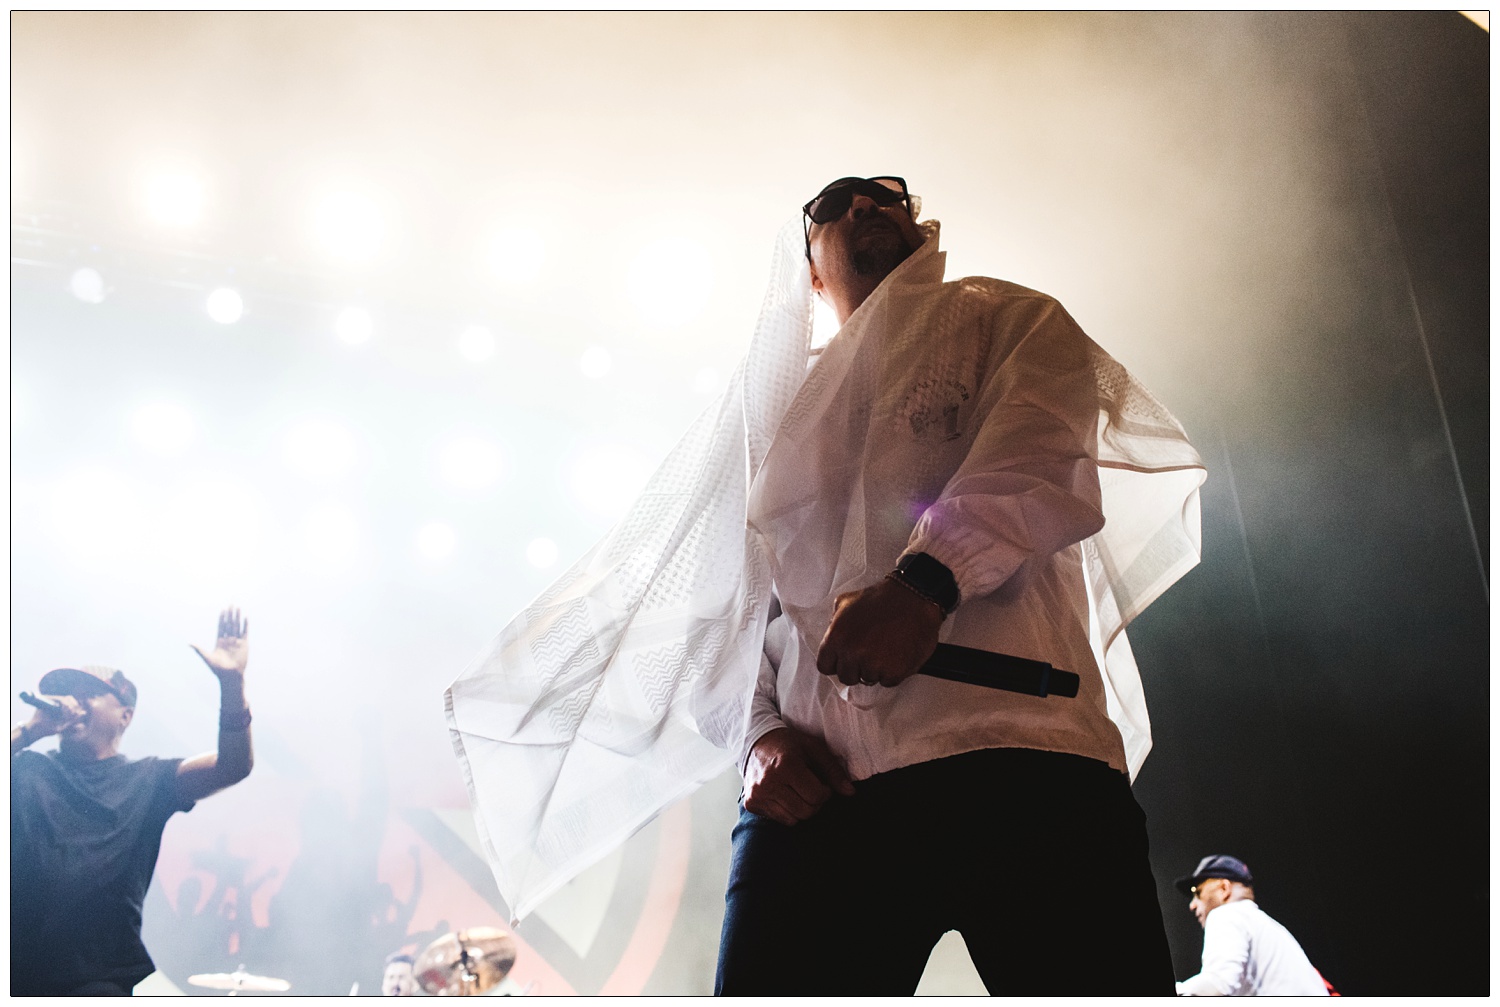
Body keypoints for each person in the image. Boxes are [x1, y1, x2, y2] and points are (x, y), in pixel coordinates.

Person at [446, 177, 1205, 991]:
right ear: (809, 266)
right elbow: (724, 610)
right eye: (837, 202)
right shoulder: (771, 403)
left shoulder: (1005, 317)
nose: (866, 207)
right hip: (819, 794)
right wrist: (759, 740)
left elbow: (1039, 453)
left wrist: (926, 583)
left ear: (921, 226)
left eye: (888, 196)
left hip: (1019, 753)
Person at [10, 607, 255, 996]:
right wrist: (29, 730)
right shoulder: (26, 770)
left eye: (90, 693)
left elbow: (232, 766)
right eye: (69, 693)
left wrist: (231, 684)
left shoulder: (149, 780)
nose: (75, 701)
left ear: (125, 715)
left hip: (98, 980)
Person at [1175, 855, 1330, 996]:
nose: (1192, 905)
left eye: (1197, 892)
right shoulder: (1269, 927)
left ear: (1224, 889)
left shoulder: (1226, 914)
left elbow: (1218, 984)